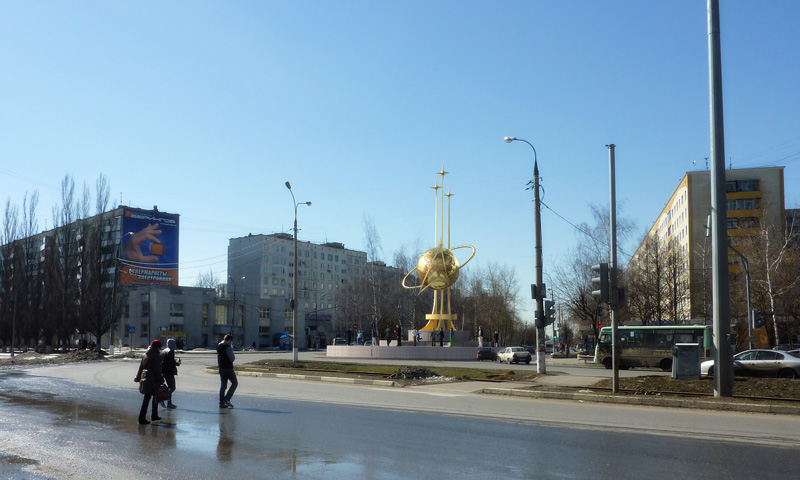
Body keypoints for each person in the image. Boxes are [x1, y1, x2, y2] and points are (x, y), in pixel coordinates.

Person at [135, 339, 164, 425]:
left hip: (145, 378)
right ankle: (144, 418)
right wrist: (161, 380)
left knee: (149, 398)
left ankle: (151, 416)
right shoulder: (156, 355)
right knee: (152, 398)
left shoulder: (145, 354)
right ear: (157, 347)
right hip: (152, 379)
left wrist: (138, 377)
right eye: (160, 347)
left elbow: (141, 367)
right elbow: (157, 369)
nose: (160, 348)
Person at [217, 334, 238, 408]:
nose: (231, 343)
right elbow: (232, 358)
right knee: (235, 383)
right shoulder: (228, 347)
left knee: (223, 385)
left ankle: (221, 402)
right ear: (229, 340)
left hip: (221, 368)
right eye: (231, 341)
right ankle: (227, 399)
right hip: (228, 368)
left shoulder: (219, 346)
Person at [160, 338, 181, 409]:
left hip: (163, 371)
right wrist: (177, 363)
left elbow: (164, 361)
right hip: (169, 371)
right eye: (174, 344)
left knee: (170, 387)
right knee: (172, 387)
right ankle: (163, 399)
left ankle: (169, 403)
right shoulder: (171, 351)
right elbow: (171, 362)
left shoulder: (163, 351)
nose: (175, 345)